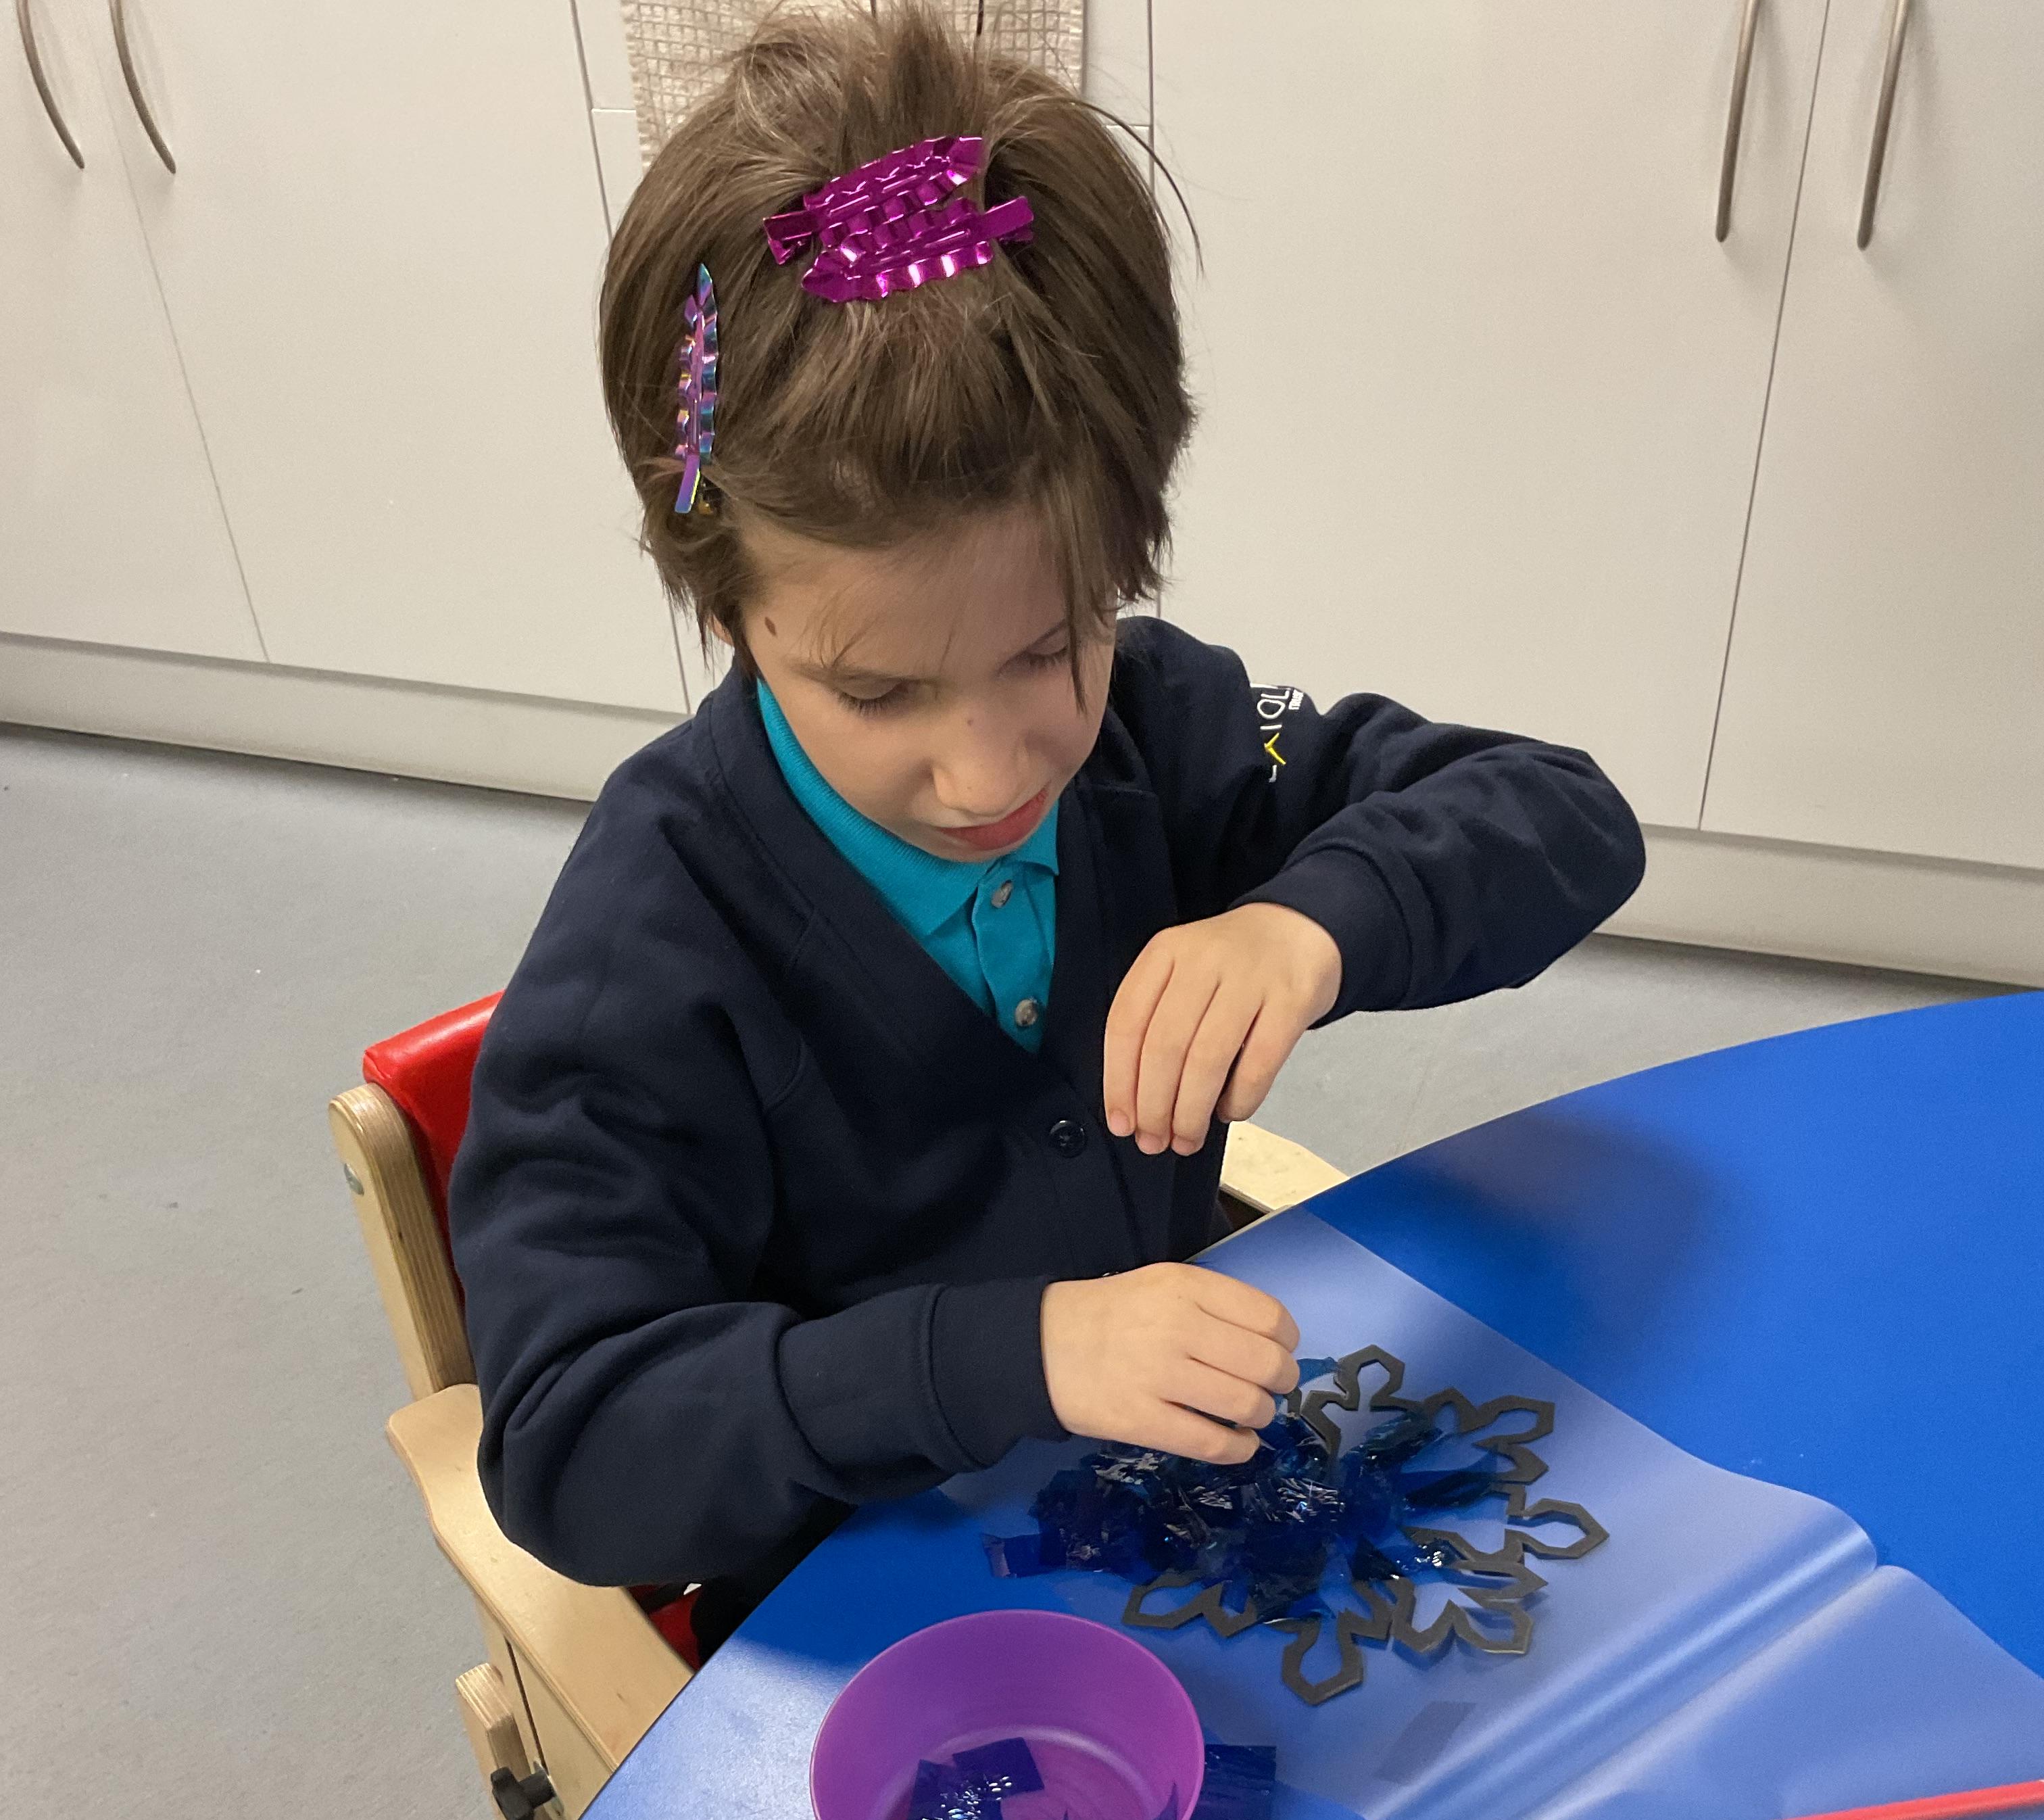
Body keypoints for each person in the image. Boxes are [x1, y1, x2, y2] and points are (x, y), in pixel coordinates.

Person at [449, 2, 1645, 1653]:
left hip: (1172, 1528)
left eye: (1049, 643)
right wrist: (1018, 1355)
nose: (988, 772)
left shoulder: (1170, 724)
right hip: (868, 1640)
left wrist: (1312, 920)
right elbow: (571, 1445)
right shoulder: (647, 948)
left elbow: (1554, 810)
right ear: (730, 612)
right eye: (879, 691)